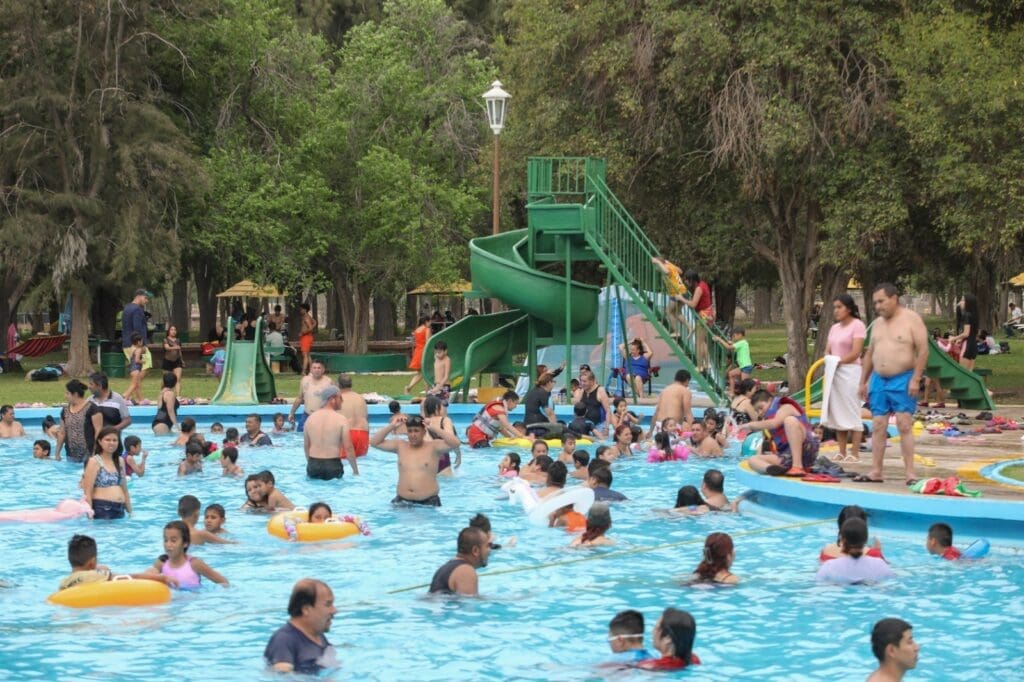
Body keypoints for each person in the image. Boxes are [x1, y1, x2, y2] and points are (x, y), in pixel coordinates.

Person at [858, 283, 928, 486]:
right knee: (878, 424)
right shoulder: (877, 324)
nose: (878, 306)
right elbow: (870, 353)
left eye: (881, 301)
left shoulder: (911, 319)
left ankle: (910, 473)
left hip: (903, 378)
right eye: (875, 303)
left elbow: (923, 350)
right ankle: (876, 471)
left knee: (904, 424)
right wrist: (863, 381)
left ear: (894, 298)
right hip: (879, 379)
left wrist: (916, 379)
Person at [371, 414, 461, 506]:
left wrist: (433, 428)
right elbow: (374, 442)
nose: (413, 435)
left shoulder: (433, 447)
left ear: (424, 432)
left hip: (428, 504)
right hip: (402, 502)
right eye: (410, 431)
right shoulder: (400, 446)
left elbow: (456, 443)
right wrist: (392, 426)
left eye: (416, 431)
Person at [819, 295, 867, 462]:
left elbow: (856, 352)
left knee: (852, 409)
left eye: (839, 307)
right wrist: (830, 359)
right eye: (835, 307)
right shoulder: (834, 328)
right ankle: (842, 451)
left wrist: (839, 361)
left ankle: (855, 452)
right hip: (835, 372)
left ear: (848, 308)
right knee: (838, 411)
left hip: (850, 371)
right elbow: (828, 350)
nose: (836, 311)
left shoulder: (857, 325)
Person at [264, 578, 339, 674]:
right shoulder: (283, 640)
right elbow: (282, 677)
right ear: (306, 609)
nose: (334, 610)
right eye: (328, 605)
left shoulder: (318, 636)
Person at [59, 534, 173, 591]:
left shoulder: (63, 583)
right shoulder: (94, 575)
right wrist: (162, 578)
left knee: (103, 568)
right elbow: (130, 577)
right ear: (92, 562)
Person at [745, 390, 819, 476]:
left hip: (807, 449)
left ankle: (797, 466)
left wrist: (750, 425)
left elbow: (775, 423)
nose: (760, 412)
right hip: (786, 456)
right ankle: (772, 469)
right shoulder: (767, 422)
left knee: (789, 420)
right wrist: (761, 459)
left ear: (770, 400)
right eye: (757, 411)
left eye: (761, 408)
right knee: (753, 459)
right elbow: (764, 443)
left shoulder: (786, 407)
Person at [147, 521, 229, 590]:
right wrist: (161, 578)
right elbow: (143, 577)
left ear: (185, 543)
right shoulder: (162, 562)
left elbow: (224, 582)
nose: (168, 544)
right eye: (165, 540)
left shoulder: (194, 564)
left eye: (173, 541)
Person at [303, 386, 358, 480]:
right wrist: (355, 471)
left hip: (313, 464)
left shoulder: (310, 419)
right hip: (332, 465)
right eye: (340, 397)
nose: (342, 401)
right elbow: (348, 448)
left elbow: (306, 446)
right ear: (332, 399)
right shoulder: (341, 420)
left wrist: (311, 464)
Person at [815, 518, 895, 583]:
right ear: (866, 539)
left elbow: (819, 583)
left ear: (842, 540)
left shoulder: (829, 566)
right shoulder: (880, 565)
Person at [82, 427, 132, 520]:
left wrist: (130, 512)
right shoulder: (94, 461)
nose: (111, 443)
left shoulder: (120, 461)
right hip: (102, 508)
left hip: (120, 509)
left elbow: (124, 489)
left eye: (115, 440)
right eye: (107, 440)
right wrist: (90, 517)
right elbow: (88, 491)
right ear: (100, 442)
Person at [428, 526, 490, 596]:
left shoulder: (446, 567)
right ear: (475, 550)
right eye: (487, 546)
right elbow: (468, 601)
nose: (489, 550)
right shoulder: (466, 571)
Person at [55, 380, 103, 464]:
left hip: (89, 454)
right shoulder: (65, 410)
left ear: (75, 394)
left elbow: (98, 432)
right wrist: (57, 453)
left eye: (67, 393)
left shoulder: (92, 408)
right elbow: (62, 433)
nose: (65, 396)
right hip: (70, 455)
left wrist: (94, 452)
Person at [820, 505, 885, 562]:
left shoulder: (826, 550)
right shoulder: (872, 554)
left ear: (839, 525)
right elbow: (883, 570)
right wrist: (878, 551)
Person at [87, 373, 131, 454]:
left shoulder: (117, 398)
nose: (88, 386)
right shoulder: (89, 401)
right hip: (94, 446)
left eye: (91, 384)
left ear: (99, 386)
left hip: (113, 446)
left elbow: (127, 420)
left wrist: (113, 429)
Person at [288, 359, 332, 431]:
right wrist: (292, 413)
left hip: (322, 417)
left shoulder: (328, 382)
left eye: (319, 368)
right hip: (306, 415)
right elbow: (299, 398)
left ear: (323, 370)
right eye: (314, 368)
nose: (316, 370)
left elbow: (334, 400)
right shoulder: (305, 380)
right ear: (311, 369)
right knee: (299, 433)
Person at [646, 369, 694, 437]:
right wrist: (694, 431)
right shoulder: (685, 391)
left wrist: (650, 431)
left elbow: (657, 412)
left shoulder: (665, 390)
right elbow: (688, 413)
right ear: (687, 380)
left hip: (659, 425)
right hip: (672, 427)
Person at [422, 395, 461, 474]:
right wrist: (458, 455)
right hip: (442, 459)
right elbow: (451, 439)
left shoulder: (421, 422)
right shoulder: (445, 420)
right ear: (437, 407)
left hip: (424, 460)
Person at [121, 288, 152, 382]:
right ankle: (132, 388)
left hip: (126, 344)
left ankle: (136, 390)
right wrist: (141, 345)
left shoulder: (126, 308)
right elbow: (137, 328)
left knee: (136, 370)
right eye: (145, 298)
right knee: (147, 364)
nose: (146, 301)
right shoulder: (137, 309)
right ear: (138, 296)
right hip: (136, 344)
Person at [337, 375, 370, 457]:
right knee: (361, 461)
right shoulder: (360, 398)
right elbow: (366, 418)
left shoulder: (339, 399)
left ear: (338, 384)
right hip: (363, 432)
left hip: (348, 433)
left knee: (344, 461)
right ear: (351, 384)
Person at [651, 256, 687, 330]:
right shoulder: (670, 266)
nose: (654, 267)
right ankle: (689, 327)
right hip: (681, 291)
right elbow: (680, 271)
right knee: (677, 313)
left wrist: (658, 262)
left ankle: (676, 332)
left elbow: (667, 272)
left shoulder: (666, 267)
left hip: (677, 292)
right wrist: (669, 263)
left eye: (655, 265)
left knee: (668, 311)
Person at [714, 327, 752, 395]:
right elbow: (733, 346)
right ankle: (731, 393)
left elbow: (728, 347)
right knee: (730, 374)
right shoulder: (742, 343)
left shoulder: (742, 343)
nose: (734, 338)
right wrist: (731, 343)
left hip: (746, 366)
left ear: (740, 335)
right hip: (742, 366)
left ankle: (746, 397)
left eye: (735, 336)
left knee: (745, 384)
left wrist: (719, 339)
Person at [951, 293, 980, 371]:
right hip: (973, 346)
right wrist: (959, 339)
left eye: (963, 300)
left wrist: (953, 338)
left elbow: (966, 334)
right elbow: (973, 333)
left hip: (967, 346)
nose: (960, 303)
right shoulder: (974, 315)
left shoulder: (967, 315)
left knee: (963, 373)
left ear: (968, 303)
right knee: (969, 373)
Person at [404, 315, 431, 394]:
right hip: (424, 352)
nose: (430, 323)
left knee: (421, 373)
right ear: (426, 321)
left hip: (417, 352)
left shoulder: (417, 330)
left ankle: (409, 388)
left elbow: (416, 341)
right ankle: (427, 392)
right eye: (430, 321)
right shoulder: (427, 329)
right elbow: (428, 342)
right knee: (426, 373)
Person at [123, 332, 147, 403]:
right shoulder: (138, 349)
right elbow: (137, 360)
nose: (142, 343)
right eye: (141, 341)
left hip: (132, 369)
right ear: (138, 342)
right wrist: (143, 361)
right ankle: (125, 399)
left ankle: (141, 400)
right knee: (134, 385)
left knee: (137, 386)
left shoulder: (132, 348)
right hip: (136, 369)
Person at [162, 324, 184, 396]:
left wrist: (182, 360)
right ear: (168, 331)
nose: (173, 331)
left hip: (177, 361)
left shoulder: (178, 340)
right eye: (171, 330)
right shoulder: (165, 340)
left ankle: (178, 396)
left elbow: (179, 351)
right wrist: (175, 347)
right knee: (166, 381)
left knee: (177, 379)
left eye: (175, 330)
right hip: (167, 361)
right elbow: (167, 348)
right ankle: (163, 394)